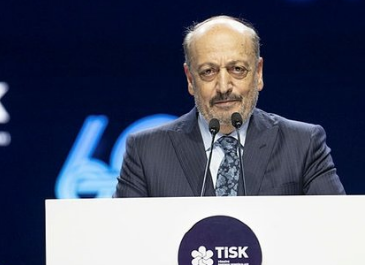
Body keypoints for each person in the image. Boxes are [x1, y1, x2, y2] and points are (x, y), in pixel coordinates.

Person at [115, 15, 345, 197]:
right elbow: (123, 235)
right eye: (208, 71)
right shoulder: (146, 152)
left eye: (237, 69)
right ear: (190, 79)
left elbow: (337, 228)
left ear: (258, 73)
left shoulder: (303, 145)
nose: (224, 86)